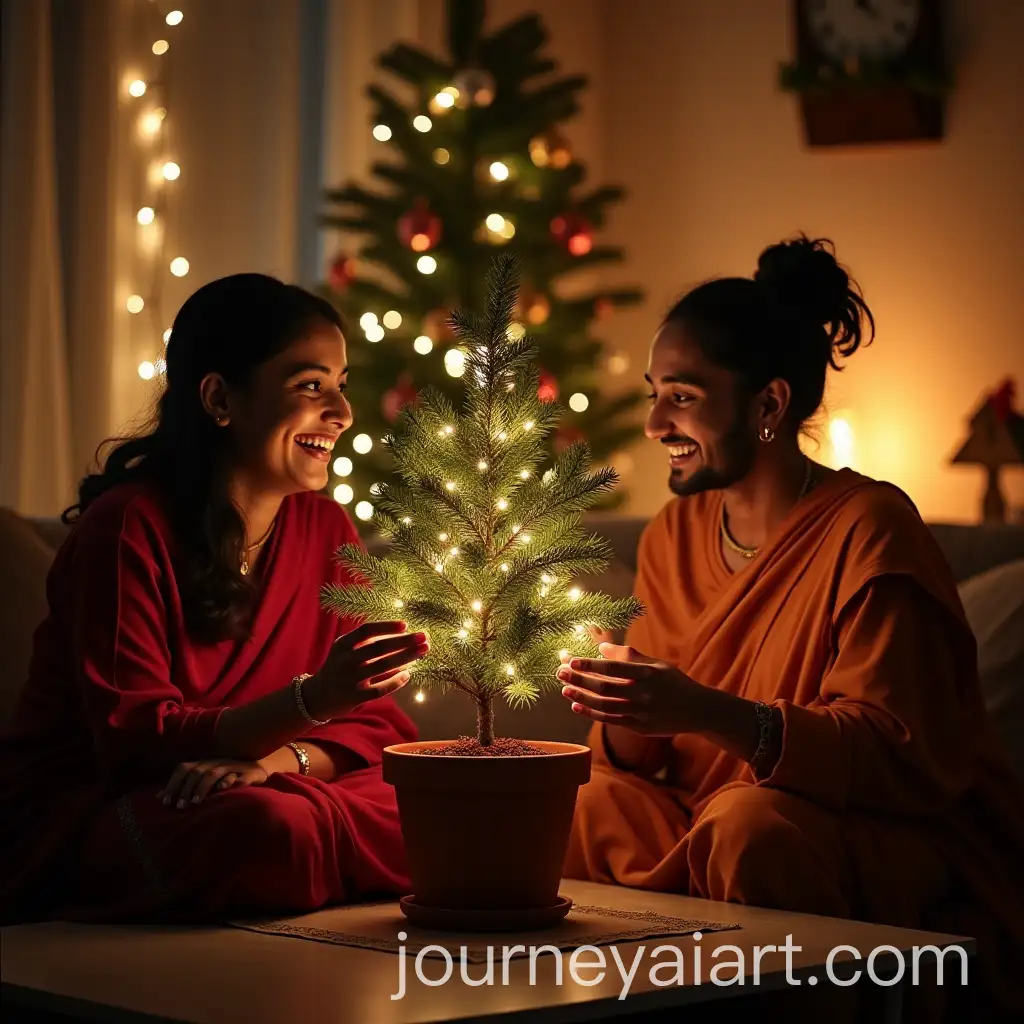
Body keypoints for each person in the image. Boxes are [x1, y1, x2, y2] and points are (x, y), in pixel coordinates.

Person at [556, 237, 1024, 1020]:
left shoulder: (870, 529)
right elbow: (652, 763)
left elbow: (900, 755)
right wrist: (626, 709)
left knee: (749, 826)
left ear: (768, 406)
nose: (654, 423)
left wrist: (707, 710)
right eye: (652, 394)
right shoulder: (674, 534)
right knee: (581, 802)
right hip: (706, 815)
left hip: (863, 828)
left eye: (682, 397)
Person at [0, 273, 430, 924]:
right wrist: (311, 701)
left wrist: (276, 762)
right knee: (267, 830)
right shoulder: (126, 529)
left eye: (341, 386)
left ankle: (305, 852)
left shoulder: (326, 528)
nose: (342, 413)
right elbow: (135, 739)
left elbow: (377, 724)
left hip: (267, 782)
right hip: (125, 799)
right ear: (220, 398)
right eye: (310, 386)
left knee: (437, 801)